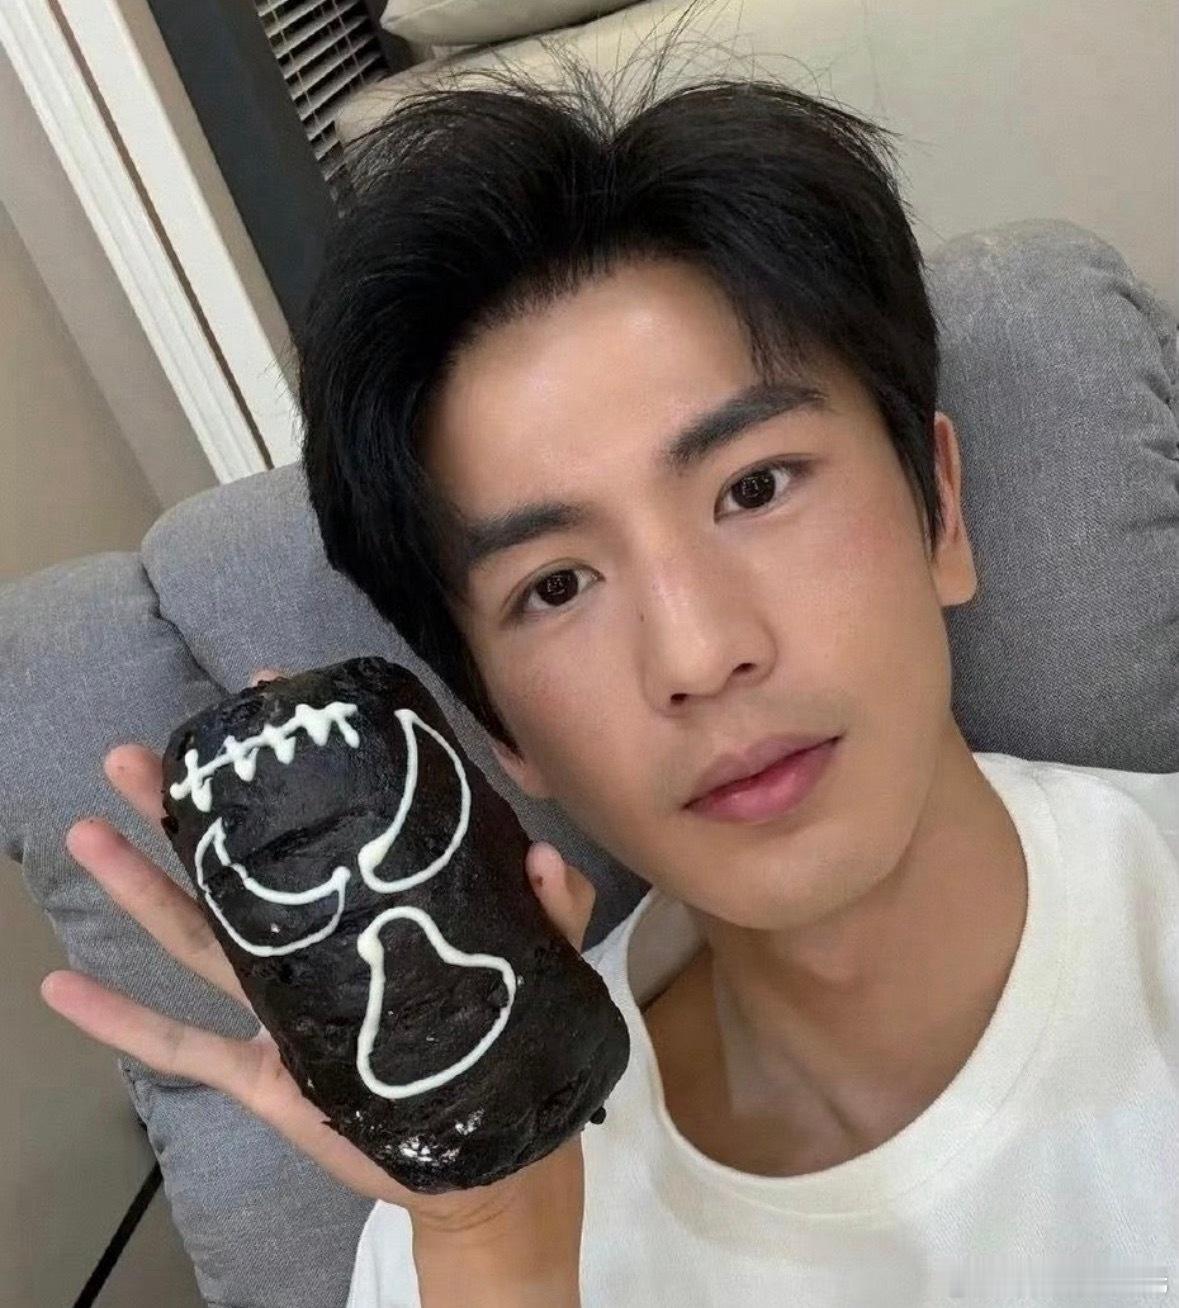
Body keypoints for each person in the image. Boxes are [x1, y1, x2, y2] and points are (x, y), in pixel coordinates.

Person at [42, 50, 1179, 1308]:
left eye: (755, 487)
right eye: (556, 586)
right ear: (499, 728)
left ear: (940, 509)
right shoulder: (459, 1228)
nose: (697, 654)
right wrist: (500, 1244)